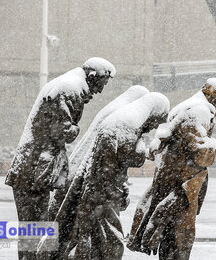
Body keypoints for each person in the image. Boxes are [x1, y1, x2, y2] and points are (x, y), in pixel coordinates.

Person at [38, 92, 170, 260]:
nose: (154, 127)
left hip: (99, 192)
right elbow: (128, 158)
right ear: (153, 113)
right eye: (156, 121)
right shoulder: (126, 126)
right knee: (107, 245)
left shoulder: (124, 122)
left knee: (91, 244)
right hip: (102, 195)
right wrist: (145, 150)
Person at [5, 57, 115, 260]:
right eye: (102, 84)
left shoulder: (69, 85)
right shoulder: (70, 89)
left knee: (34, 226)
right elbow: (62, 131)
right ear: (93, 76)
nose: (100, 91)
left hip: (33, 166)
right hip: (35, 169)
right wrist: (76, 129)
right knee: (34, 226)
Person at [127, 78, 216, 260]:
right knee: (180, 236)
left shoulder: (186, 107)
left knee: (174, 234)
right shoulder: (199, 111)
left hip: (172, 180)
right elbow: (199, 153)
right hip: (182, 185)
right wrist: (212, 147)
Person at [47, 85, 149, 221]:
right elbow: (128, 158)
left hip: (85, 176)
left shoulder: (113, 111)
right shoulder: (123, 118)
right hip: (92, 182)